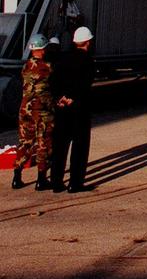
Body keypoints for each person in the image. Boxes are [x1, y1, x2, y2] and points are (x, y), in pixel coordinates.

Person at [51, 25, 96, 193]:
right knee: (80, 147)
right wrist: (73, 98)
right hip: (79, 109)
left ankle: (56, 182)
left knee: (60, 146)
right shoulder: (88, 61)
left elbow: (53, 81)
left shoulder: (62, 59)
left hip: (62, 109)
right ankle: (75, 183)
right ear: (88, 42)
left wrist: (60, 97)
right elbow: (85, 84)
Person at [12, 34, 54, 191]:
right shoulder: (47, 67)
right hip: (41, 110)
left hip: (25, 108)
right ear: (42, 49)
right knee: (44, 143)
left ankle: (17, 176)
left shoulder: (25, 66)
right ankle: (41, 179)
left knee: (25, 142)